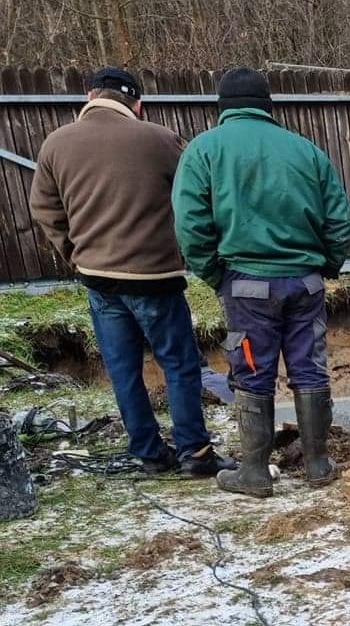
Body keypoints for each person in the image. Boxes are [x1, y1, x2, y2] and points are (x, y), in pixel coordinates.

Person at [28, 67, 228, 476]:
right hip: (154, 276)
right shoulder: (160, 139)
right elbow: (198, 194)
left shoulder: (56, 144)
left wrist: (75, 254)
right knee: (179, 364)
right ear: (136, 103)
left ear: (89, 96)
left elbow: (45, 209)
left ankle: (149, 454)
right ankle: (195, 453)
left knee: (123, 369)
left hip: (99, 279)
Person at [172, 67, 350, 499]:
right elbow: (339, 220)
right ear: (267, 106)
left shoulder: (204, 150)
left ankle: (253, 472)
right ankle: (317, 463)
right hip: (304, 283)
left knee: (252, 371)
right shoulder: (305, 150)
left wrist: (214, 273)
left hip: (247, 285)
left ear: (222, 109)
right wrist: (326, 265)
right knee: (309, 368)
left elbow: (190, 224)